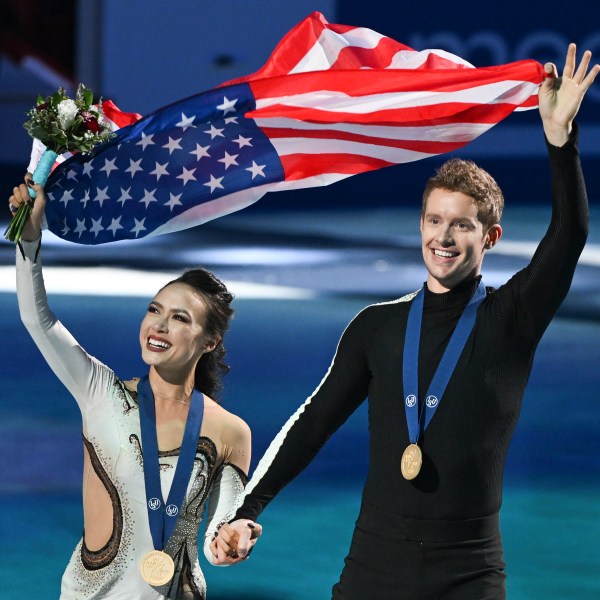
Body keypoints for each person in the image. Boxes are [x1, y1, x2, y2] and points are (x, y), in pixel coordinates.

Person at [212, 44, 599, 599]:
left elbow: (569, 236)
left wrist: (560, 141)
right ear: (419, 225)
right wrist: (249, 510)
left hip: (469, 571)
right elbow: (314, 421)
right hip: (375, 565)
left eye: (461, 226)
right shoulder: (377, 327)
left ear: (490, 237)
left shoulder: (511, 318)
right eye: (434, 220)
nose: (443, 237)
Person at [9, 180, 256, 598]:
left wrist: (232, 540)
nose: (159, 325)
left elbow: (217, 540)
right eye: (154, 310)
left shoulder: (232, 432)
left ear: (209, 342)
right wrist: (29, 240)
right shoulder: (101, 393)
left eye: (180, 318)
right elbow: (40, 321)